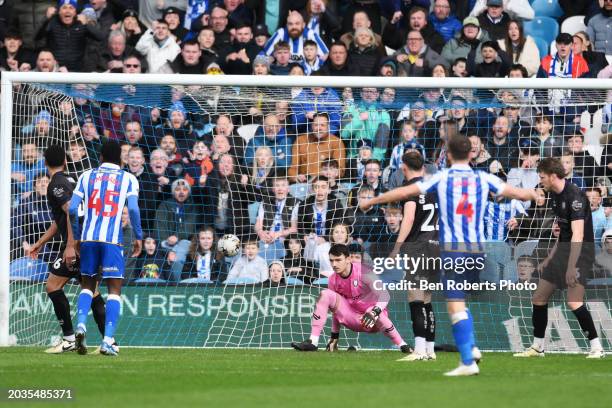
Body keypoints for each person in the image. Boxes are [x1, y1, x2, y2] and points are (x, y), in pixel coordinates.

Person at [361, 135, 537, 376]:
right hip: (477, 251)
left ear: (449, 155)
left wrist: (375, 199)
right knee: (459, 304)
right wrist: (534, 194)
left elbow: (404, 193)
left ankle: (468, 359)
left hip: (453, 251)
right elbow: (519, 193)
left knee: (454, 305)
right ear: (472, 154)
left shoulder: (441, 178)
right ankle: (471, 348)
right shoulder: (483, 177)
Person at [514, 158, 604, 359]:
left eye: (542, 177)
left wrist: (571, 267)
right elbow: (562, 232)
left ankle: (597, 347)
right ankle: (538, 347)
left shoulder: (575, 196)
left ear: (553, 176)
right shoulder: (554, 196)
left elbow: (578, 236)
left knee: (574, 301)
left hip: (581, 252)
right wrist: (550, 258)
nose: (540, 180)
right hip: (563, 250)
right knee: (538, 298)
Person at [28, 145, 107, 354]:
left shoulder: (56, 185)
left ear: (44, 163)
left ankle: (69, 339)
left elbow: (72, 212)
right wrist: (41, 242)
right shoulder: (71, 179)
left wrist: (71, 246)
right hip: (88, 241)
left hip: (78, 245)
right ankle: (109, 340)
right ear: (65, 161)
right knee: (91, 290)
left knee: (53, 286)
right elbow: (61, 219)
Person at [69, 140, 143, 356]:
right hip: (112, 241)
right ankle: (108, 340)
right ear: (121, 159)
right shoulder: (128, 178)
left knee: (88, 285)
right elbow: (135, 210)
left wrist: (76, 236)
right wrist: (138, 236)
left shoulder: (86, 175)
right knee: (114, 290)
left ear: (100, 157)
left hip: (89, 238)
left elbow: (73, 209)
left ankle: (81, 326)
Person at [291, 243, 411, 353]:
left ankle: (403, 345)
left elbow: (385, 295)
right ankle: (313, 341)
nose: (334, 264)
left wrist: (375, 311)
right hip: (352, 318)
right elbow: (335, 311)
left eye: (338, 260)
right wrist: (334, 337)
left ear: (348, 259)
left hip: (372, 320)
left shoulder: (365, 272)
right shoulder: (333, 279)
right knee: (325, 294)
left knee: (373, 311)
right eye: (331, 261)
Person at [393, 152, 439, 362]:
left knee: (415, 297)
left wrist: (397, 248)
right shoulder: (432, 188)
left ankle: (419, 350)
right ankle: (429, 350)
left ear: (404, 167)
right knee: (427, 299)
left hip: (418, 246)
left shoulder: (411, 189)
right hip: (435, 245)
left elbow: (409, 218)